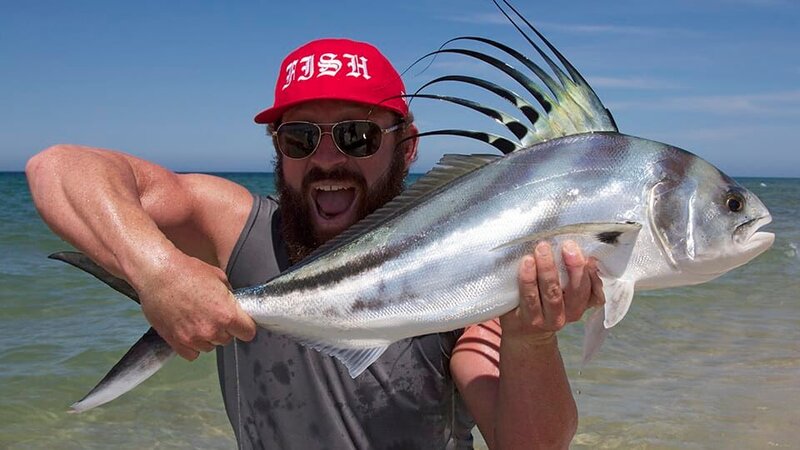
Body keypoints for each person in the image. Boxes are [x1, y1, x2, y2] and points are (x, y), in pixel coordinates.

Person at [27, 38, 603, 449]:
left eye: (357, 135)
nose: (327, 159)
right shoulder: (238, 229)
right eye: (301, 137)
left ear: (407, 146)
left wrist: (530, 340)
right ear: (276, 146)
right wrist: (158, 271)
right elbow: (60, 168)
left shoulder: (462, 269)